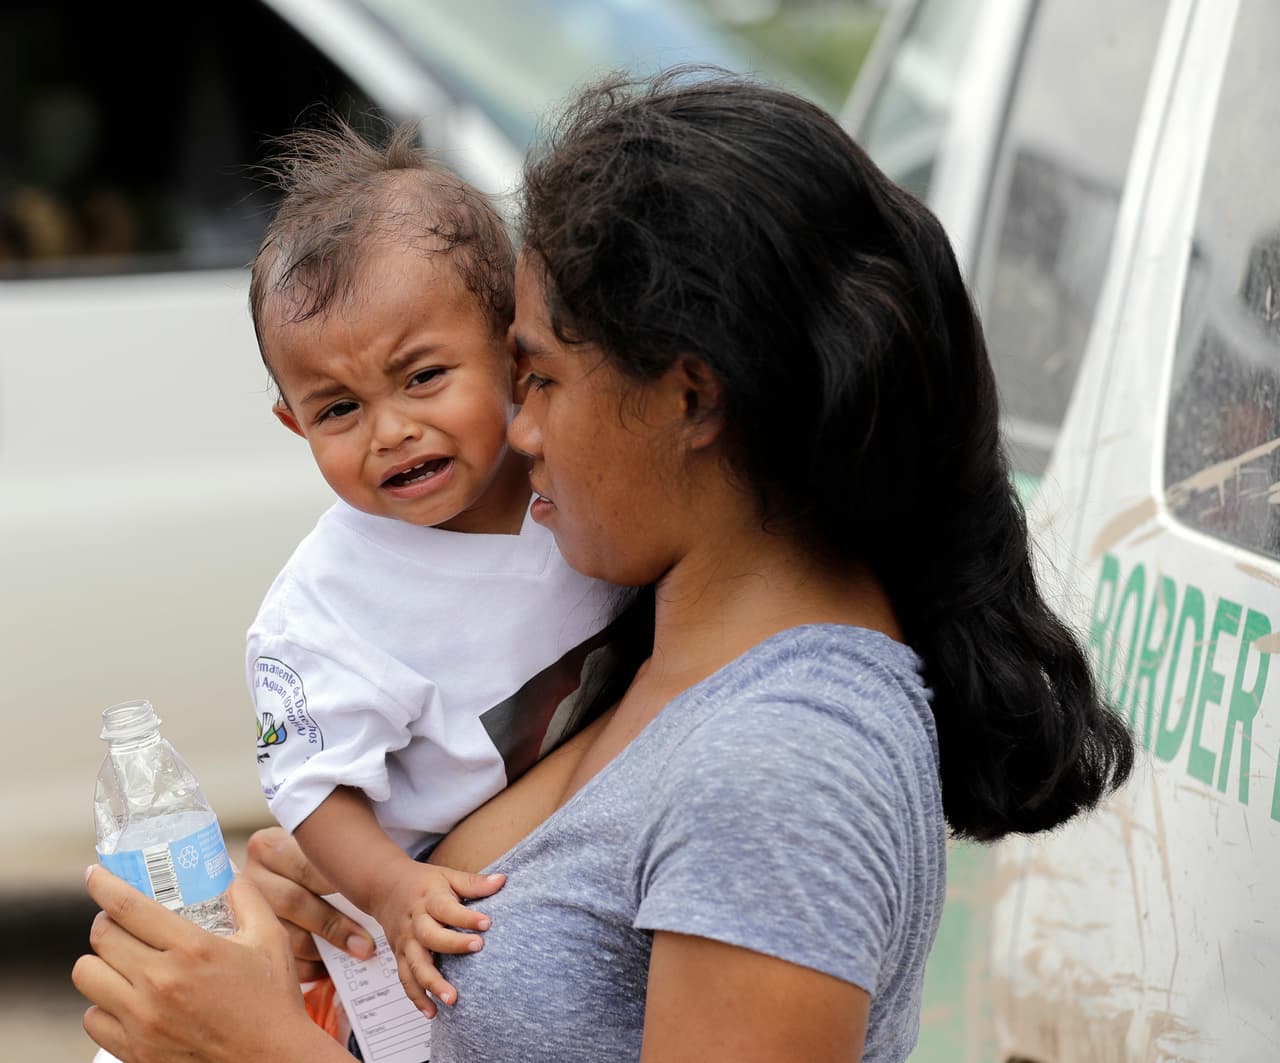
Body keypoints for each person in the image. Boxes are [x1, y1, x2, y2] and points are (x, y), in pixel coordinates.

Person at [73, 69, 1135, 1063]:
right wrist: (351, 894)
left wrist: (263, 1049)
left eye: (533, 376)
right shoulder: (650, 656)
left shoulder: (781, 767)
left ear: (692, 398)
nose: (515, 433)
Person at [243, 119, 619, 1014]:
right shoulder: (326, 607)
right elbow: (312, 790)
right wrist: (388, 890)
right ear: (295, 425)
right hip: (399, 939)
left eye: (422, 377)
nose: (391, 430)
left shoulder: (587, 483)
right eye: (338, 409)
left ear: (512, 347)